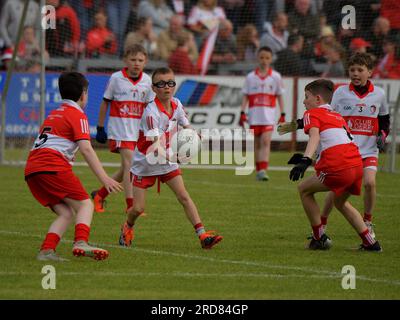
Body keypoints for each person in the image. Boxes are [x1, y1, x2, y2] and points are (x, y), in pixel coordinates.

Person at [278, 53, 391, 238]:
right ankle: (323, 223)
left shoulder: (379, 94)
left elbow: (385, 119)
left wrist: (383, 134)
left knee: (369, 183)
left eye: (360, 70)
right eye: (352, 70)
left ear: (370, 72)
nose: (355, 73)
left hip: (367, 149)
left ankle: (367, 222)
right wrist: (293, 125)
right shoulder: (340, 92)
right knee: (337, 191)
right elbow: (324, 114)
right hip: (349, 149)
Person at [119, 67, 223, 250]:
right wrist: (175, 156)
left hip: (166, 160)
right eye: (161, 84)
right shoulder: (151, 112)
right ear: (153, 88)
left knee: (183, 196)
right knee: (138, 209)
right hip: (145, 163)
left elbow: (187, 126)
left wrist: (195, 137)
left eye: (170, 83)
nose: (166, 87)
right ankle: (127, 226)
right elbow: (154, 147)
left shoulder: (177, 104)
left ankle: (203, 235)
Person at [24, 72, 123, 262]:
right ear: (83, 94)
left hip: (32, 170)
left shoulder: (54, 114)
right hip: (51, 166)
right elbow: (86, 149)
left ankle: (46, 251)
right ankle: (81, 242)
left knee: (66, 212)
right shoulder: (78, 115)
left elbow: (56, 142)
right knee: (86, 203)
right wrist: (105, 179)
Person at [289, 79, 381, 251]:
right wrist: (306, 158)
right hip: (356, 166)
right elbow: (334, 147)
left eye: (306, 96)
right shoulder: (336, 115)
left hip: (340, 168)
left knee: (304, 189)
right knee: (340, 202)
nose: (303, 101)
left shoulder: (312, 113)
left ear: (317, 99)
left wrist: (305, 161)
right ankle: (371, 243)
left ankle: (319, 238)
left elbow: (315, 137)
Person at [93, 44, 155, 214]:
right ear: (125, 60)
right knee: (131, 165)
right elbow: (105, 102)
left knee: (124, 169)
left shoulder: (148, 81)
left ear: (145, 62)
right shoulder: (116, 78)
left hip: (138, 132)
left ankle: (99, 196)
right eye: (133, 59)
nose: (136, 63)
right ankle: (131, 205)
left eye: (140, 60)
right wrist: (100, 127)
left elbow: (150, 108)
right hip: (120, 130)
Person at [239, 46, 285, 181]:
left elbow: (280, 96)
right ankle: (259, 170)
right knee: (257, 144)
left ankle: (263, 170)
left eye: (267, 58)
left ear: (271, 59)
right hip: (254, 116)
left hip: (268, 117)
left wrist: (282, 113)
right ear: (257, 58)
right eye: (261, 57)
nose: (264, 60)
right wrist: (242, 112)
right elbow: (246, 96)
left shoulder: (276, 77)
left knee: (266, 141)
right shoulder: (250, 77)